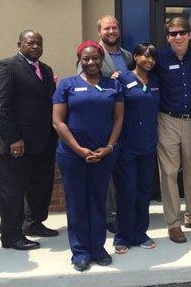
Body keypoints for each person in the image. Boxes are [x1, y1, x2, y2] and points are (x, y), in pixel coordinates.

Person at [53, 41, 124, 271]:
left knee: (98, 200)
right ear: (79, 60)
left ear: (102, 59)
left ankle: (97, 248)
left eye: (95, 58)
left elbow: (119, 119)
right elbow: (58, 121)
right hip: (72, 155)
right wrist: (78, 149)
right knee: (76, 202)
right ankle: (80, 251)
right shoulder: (67, 84)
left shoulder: (113, 85)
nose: (91, 62)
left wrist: (109, 147)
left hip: (104, 154)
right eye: (86, 59)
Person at [0, 30, 58, 250]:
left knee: (41, 185)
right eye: (30, 43)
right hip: (17, 144)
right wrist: (14, 138)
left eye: (39, 42)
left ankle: (33, 224)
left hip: (43, 142)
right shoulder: (6, 66)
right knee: (13, 190)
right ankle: (10, 236)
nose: (36, 46)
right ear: (20, 44)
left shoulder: (46, 70)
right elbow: (0, 106)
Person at [78, 15, 132, 233]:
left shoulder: (127, 55)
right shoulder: (90, 54)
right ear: (99, 32)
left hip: (126, 117)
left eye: (114, 27)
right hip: (103, 121)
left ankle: (123, 211)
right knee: (105, 173)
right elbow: (83, 86)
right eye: (107, 28)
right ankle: (108, 216)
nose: (111, 31)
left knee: (122, 169)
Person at [156, 17, 191, 243]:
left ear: (189, 34)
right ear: (167, 37)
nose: (178, 37)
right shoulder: (159, 58)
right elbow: (140, 73)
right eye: (173, 33)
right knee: (169, 172)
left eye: (181, 32)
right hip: (167, 119)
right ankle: (173, 223)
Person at [113, 43, 160, 254]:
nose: (149, 61)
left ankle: (140, 233)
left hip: (149, 146)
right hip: (127, 146)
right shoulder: (122, 79)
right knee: (127, 191)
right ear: (135, 56)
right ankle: (123, 235)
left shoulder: (156, 81)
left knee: (144, 192)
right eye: (145, 56)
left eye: (153, 58)